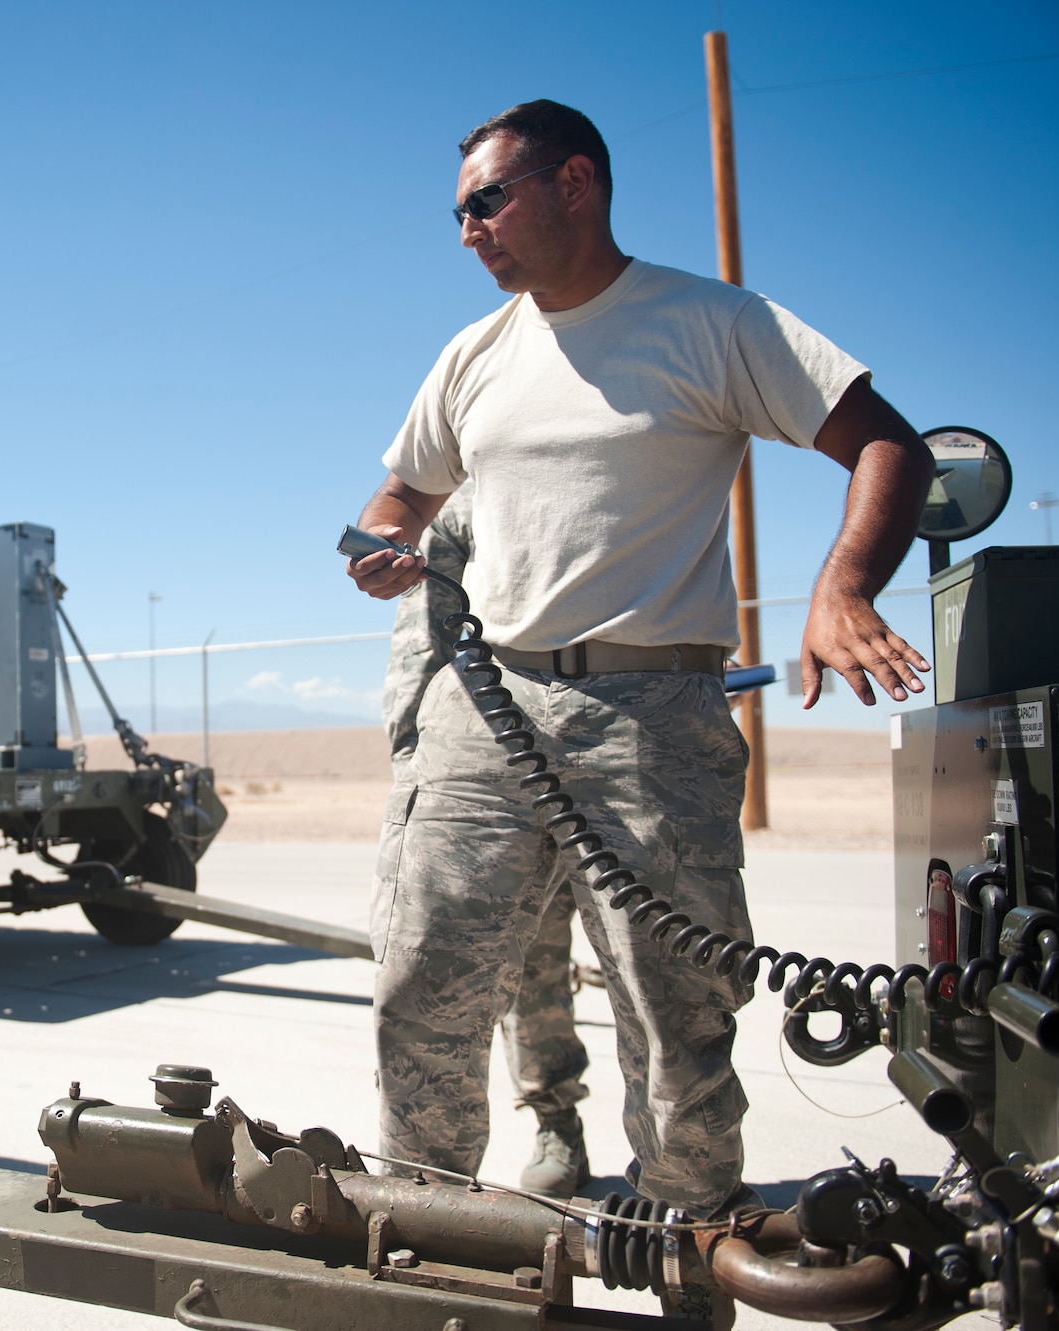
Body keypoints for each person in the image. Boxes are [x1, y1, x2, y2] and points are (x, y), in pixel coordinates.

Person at [346, 101, 934, 1235]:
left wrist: (842, 585)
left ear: (575, 183)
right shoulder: (472, 355)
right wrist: (385, 541)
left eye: (486, 201)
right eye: (457, 211)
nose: (467, 231)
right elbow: (398, 494)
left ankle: (683, 1242)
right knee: (421, 983)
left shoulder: (710, 323)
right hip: (486, 699)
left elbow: (884, 443)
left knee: (674, 1014)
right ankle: (426, 1239)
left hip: (647, 713)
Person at [379, 487, 592, 1194]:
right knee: (468, 968)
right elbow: (423, 640)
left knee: (598, 963)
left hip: (610, 746)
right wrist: (415, 756)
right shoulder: (463, 497)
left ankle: (559, 1119)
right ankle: (443, 1186)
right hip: (485, 761)